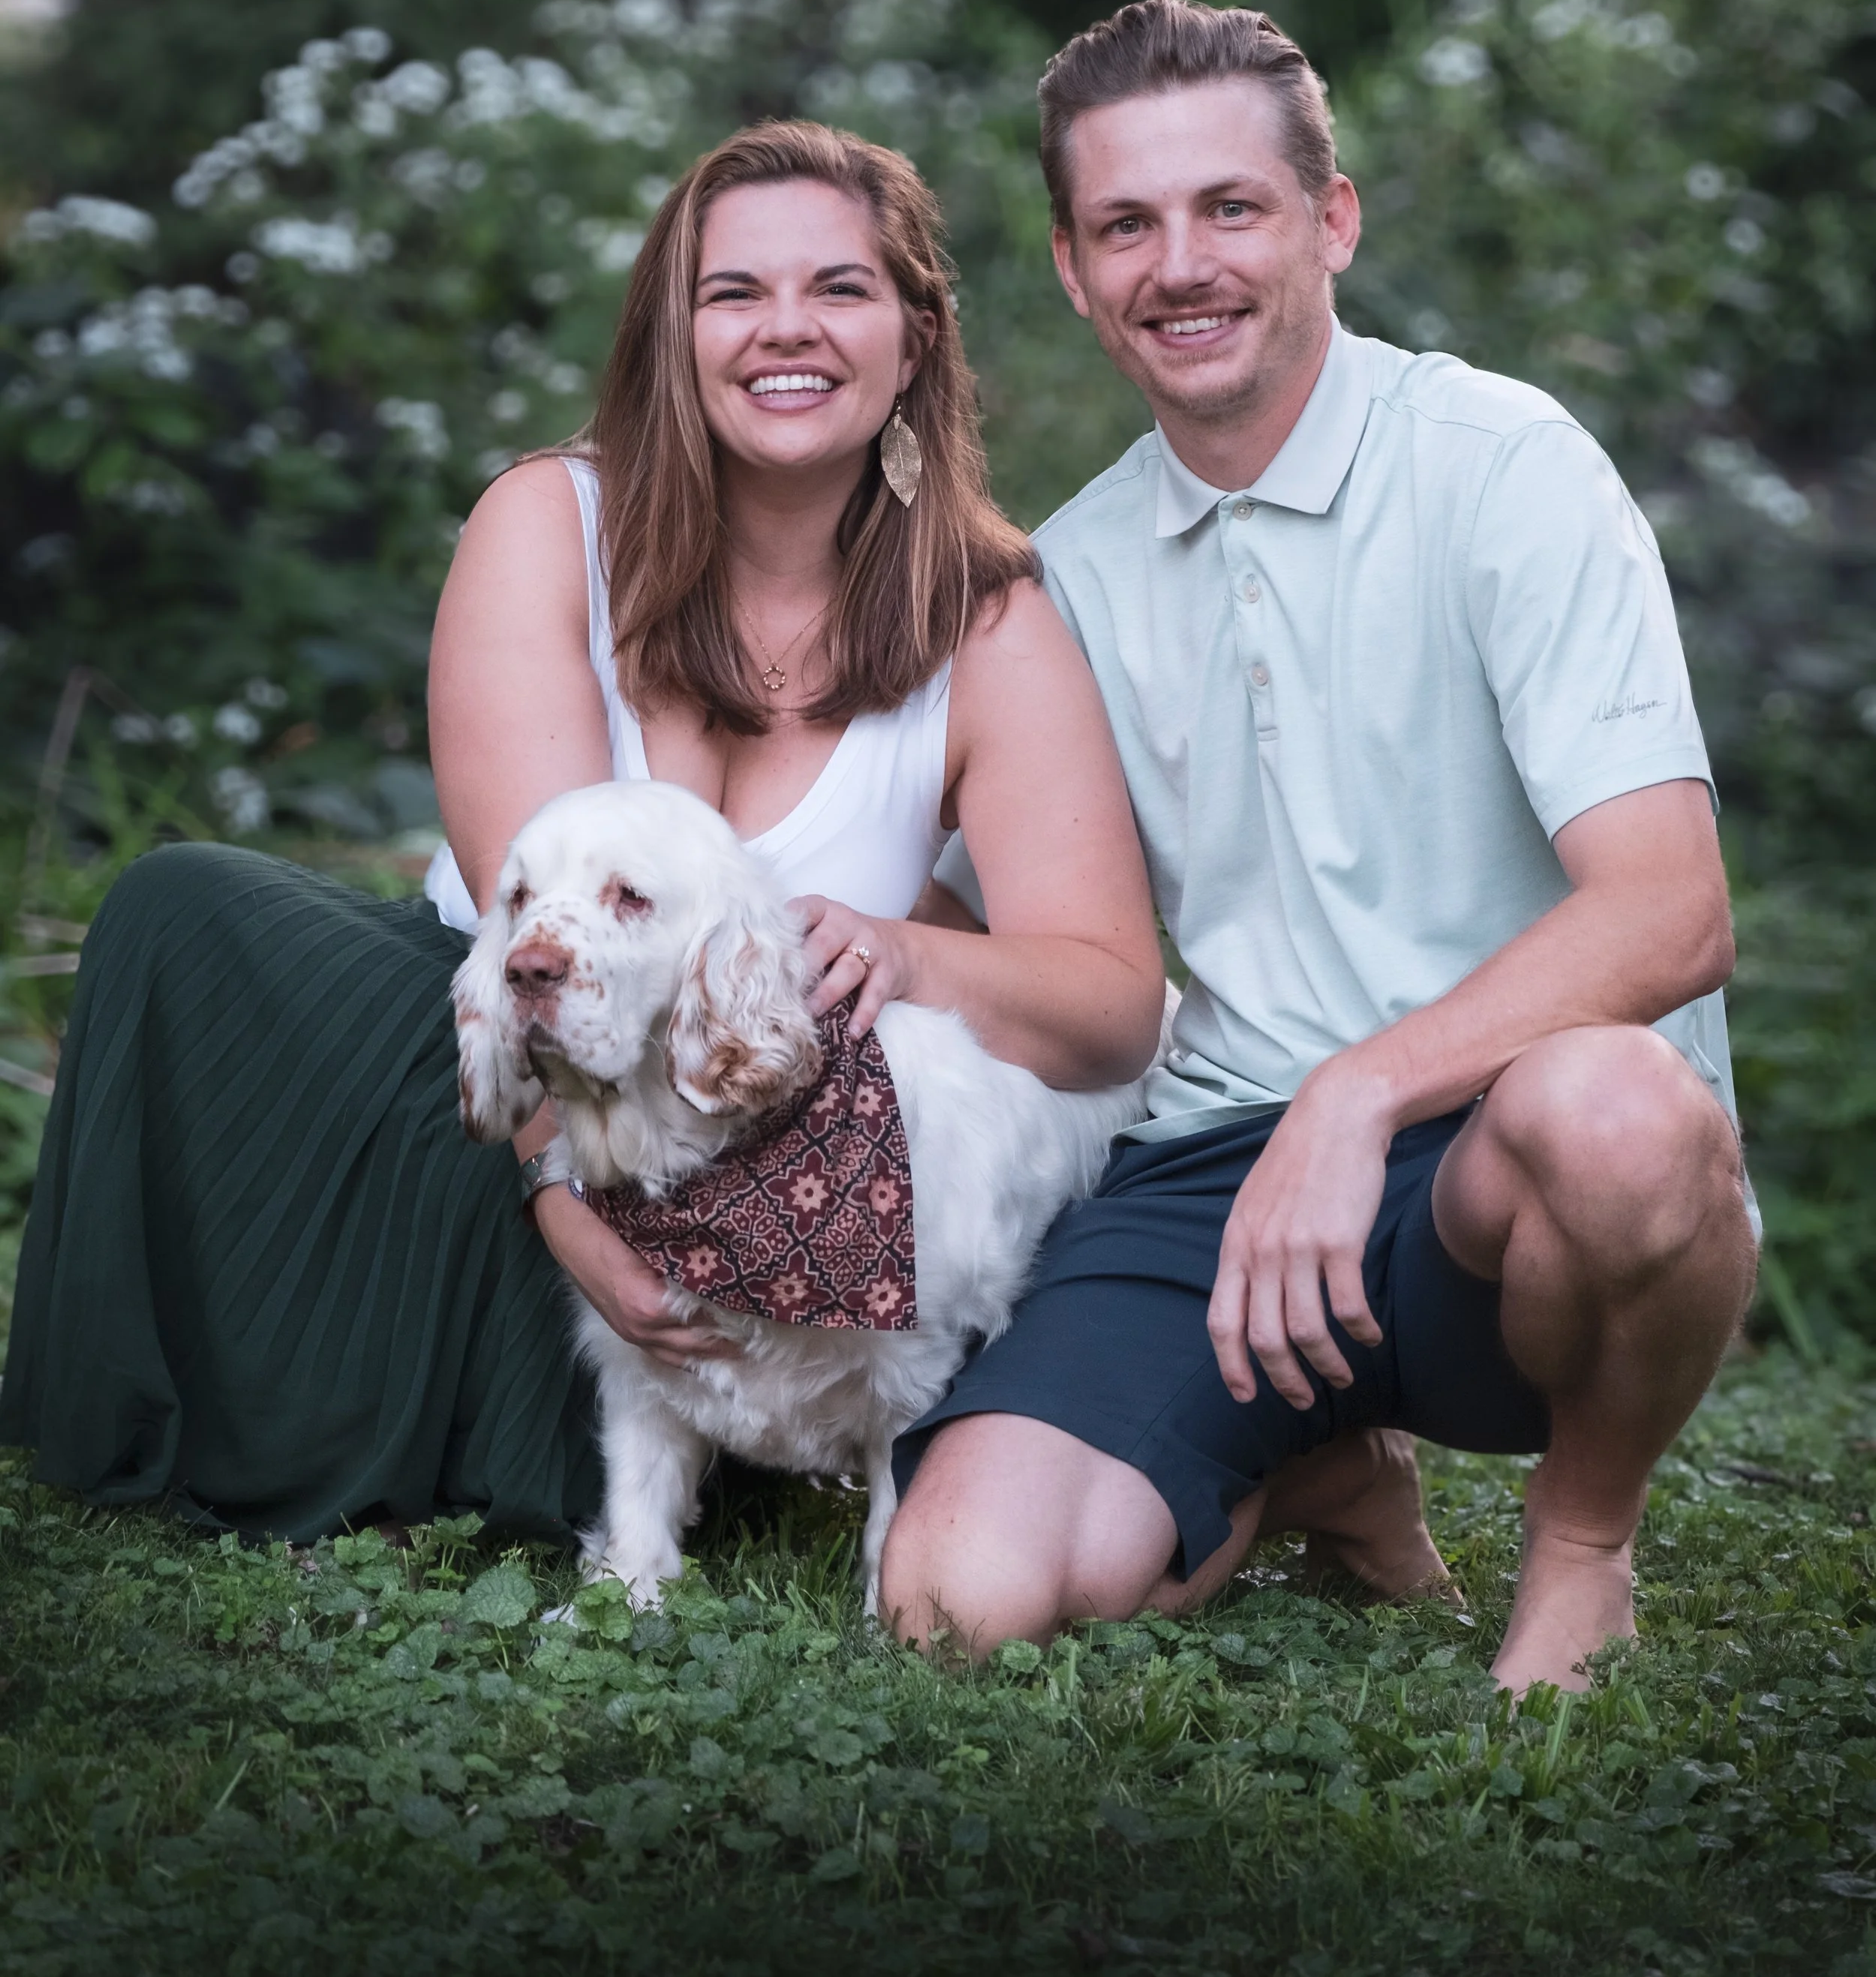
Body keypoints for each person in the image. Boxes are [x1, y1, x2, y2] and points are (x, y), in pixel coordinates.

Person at [0, 119, 1170, 1540]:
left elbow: (1113, 1004)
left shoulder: (988, 621)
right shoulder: (548, 520)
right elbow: (528, 952)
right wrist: (559, 1188)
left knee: (771, 1168)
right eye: (733, 292)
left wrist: (918, 954)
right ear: (673, 333)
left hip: (758, 1151)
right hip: (487, 1090)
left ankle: (637, 1437)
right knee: (181, 904)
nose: (786, 329)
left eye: (840, 288)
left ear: (916, 336)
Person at [882, 0, 1759, 1695]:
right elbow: (989, 930)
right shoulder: (1062, 577)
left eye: (1231, 207)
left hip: (1504, 1169)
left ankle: (1581, 1541)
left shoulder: (1504, 468)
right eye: (1126, 224)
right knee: (957, 1600)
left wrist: (1357, 1095)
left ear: (1331, 220)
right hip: (1213, 1172)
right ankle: (1326, 1470)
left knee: (1619, 1114)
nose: (1180, 266)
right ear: (1070, 269)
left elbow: (1670, 911)